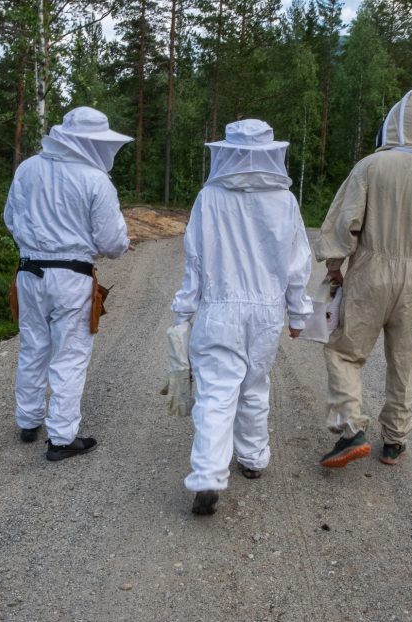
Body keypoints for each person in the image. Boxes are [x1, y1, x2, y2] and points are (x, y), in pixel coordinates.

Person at [313, 87, 412, 468]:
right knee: (405, 360)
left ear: (396, 122)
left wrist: (335, 266)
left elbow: (344, 221)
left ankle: (352, 428)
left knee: (343, 351)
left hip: (370, 271)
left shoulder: (371, 166)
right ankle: (395, 442)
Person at [172, 119, 314, 515]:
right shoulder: (284, 201)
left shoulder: (210, 197)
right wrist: (298, 313)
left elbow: (195, 259)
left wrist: (184, 310)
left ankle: (208, 475)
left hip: (219, 307)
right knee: (254, 384)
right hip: (266, 311)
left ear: (227, 151)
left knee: (216, 393)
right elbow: (297, 263)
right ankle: (252, 459)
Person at [3, 106, 132, 461]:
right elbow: (112, 243)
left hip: (29, 273)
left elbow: (10, 218)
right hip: (72, 277)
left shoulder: (27, 168)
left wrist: (37, 243)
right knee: (70, 355)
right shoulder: (95, 180)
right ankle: (61, 437)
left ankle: (28, 420)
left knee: (33, 345)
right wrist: (109, 245)